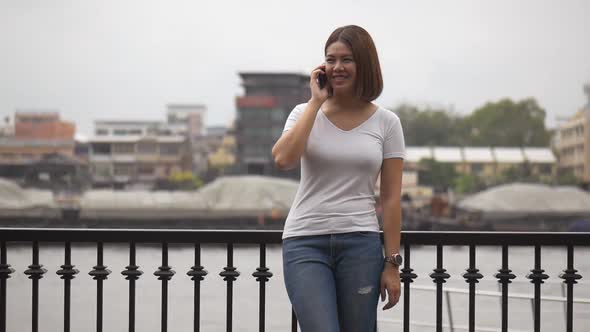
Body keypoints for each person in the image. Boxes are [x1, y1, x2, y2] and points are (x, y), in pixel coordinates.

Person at [271, 25, 406, 331]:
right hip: (305, 242)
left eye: (346, 59)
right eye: (330, 60)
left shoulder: (387, 123)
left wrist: (392, 263)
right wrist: (315, 103)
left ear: (365, 64)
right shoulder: (303, 113)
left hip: (360, 243)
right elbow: (283, 159)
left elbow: (391, 198)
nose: (337, 67)